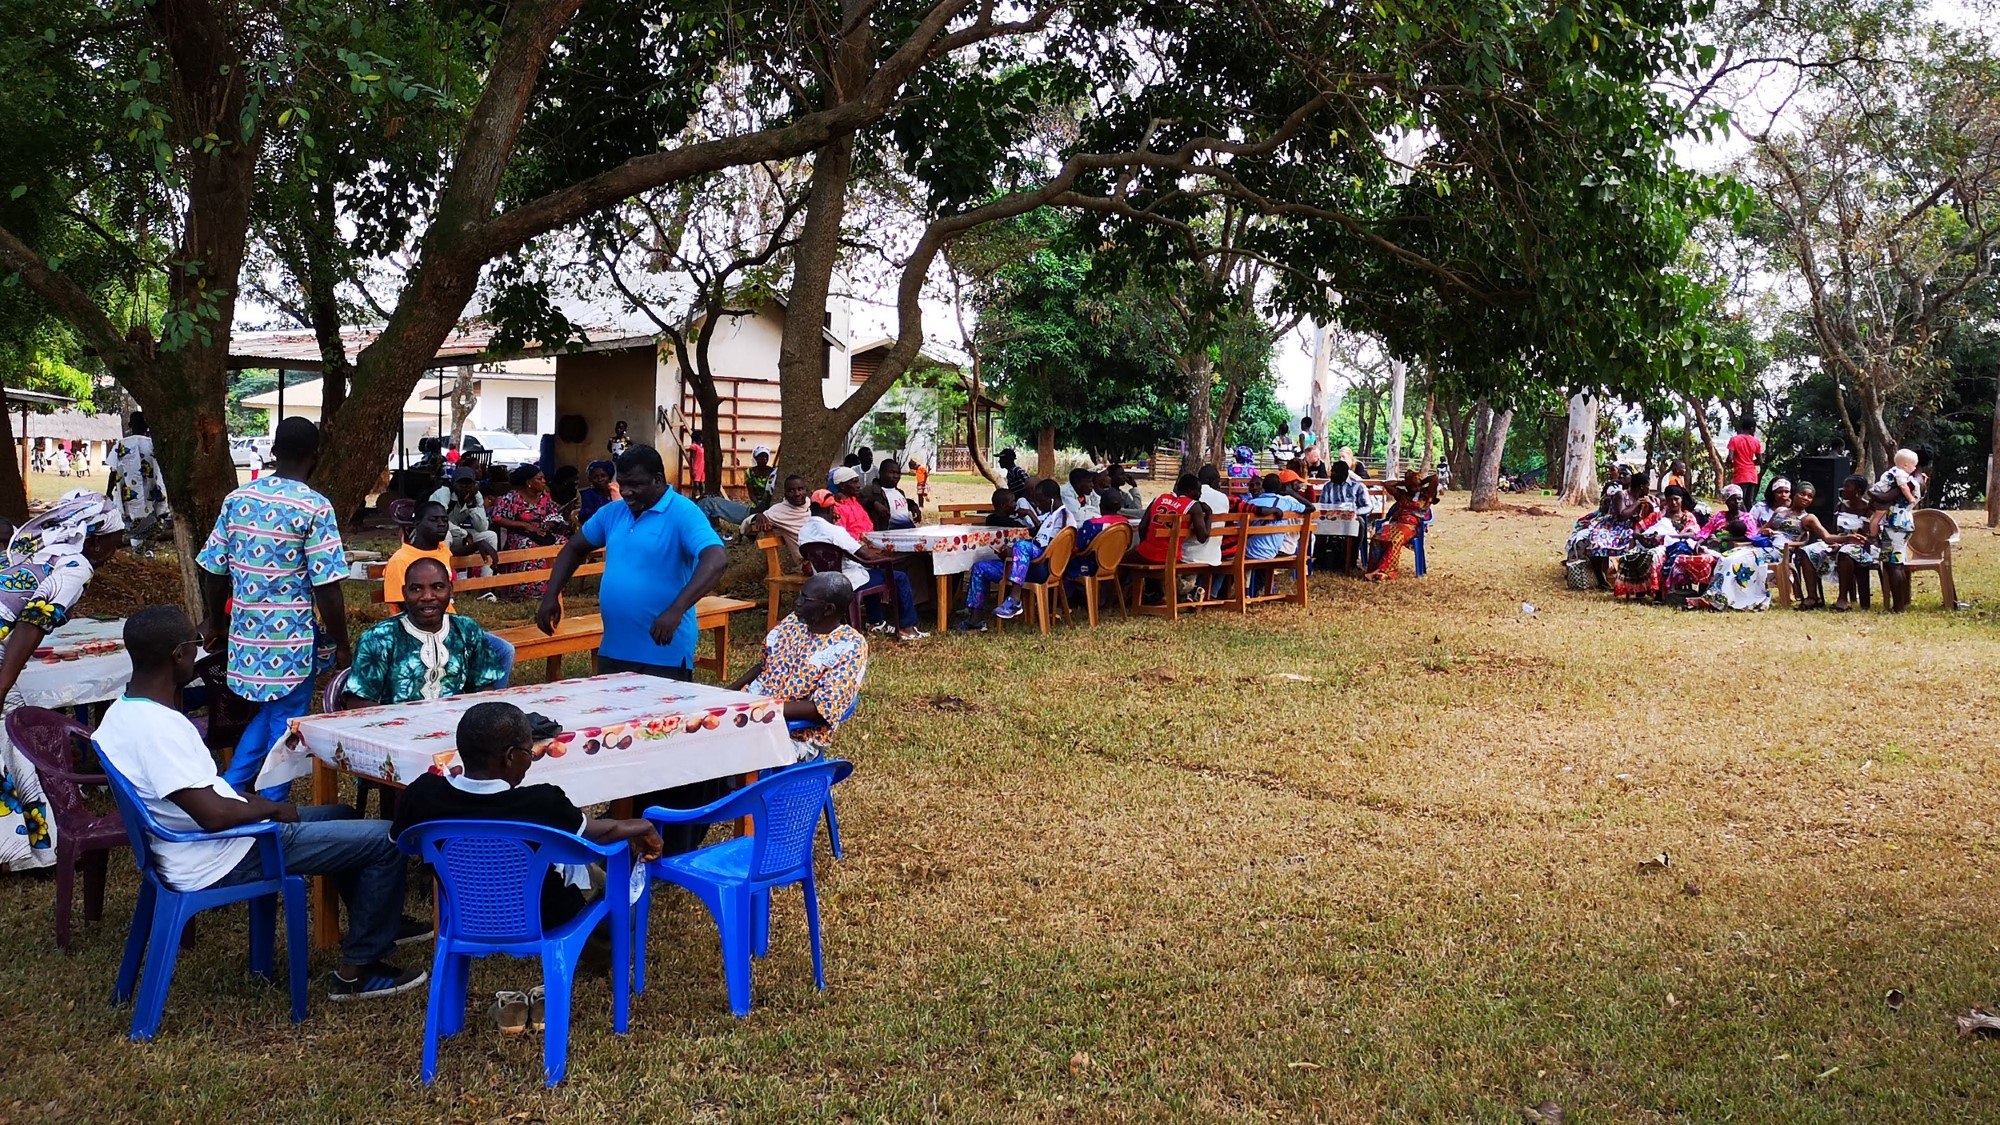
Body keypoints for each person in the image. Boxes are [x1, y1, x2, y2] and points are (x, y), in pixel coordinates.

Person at [99, 605, 427, 999]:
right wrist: (270, 809)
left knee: (340, 814)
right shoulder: (159, 729)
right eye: (196, 645)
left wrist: (253, 802)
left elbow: (206, 796)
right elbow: (215, 815)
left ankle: (378, 923)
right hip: (220, 853)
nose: (199, 652)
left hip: (191, 843)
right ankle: (360, 969)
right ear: (179, 655)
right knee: (386, 839)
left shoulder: (121, 712)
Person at [390, 700, 662, 1029]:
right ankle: (601, 964)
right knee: (618, 898)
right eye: (528, 750)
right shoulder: (542, 802)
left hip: (464, 916)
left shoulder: (422, 794)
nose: (531, 757)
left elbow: (401, 841)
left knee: (587, 877)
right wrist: (643, 827)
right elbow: (601, 835)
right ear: (509, 757)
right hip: (546, 917)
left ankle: (450, 1024)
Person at [198, 416, 349, 800]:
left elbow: (214, 572)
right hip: (291, 644)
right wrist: (342, 643)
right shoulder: (315, 507)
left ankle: (231, 789)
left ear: (273, 451)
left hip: (245, 639)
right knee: (286, 727)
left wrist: (216, 622)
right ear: (315, 456)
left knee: (268, 715)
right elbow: (327, 587)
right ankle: (272, 814)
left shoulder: (237, 500)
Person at [536, 444, 727, 679]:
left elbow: (716, 559)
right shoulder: (613, 513)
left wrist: (676, 610)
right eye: (622, 484)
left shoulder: (683, 512)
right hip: (614, 650)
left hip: (663, 653)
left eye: (635, 484)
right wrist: (551, 594)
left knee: (662, 717)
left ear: (657, 480)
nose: (625, 492)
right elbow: (573, 549)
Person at [0, 491, 126, 705]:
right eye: (114, 545)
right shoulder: (76, 565)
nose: (113, 555)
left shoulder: (38, 550)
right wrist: (2, 687)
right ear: (95, 542)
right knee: (13, 727)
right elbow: (34, 619)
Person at [729, 573, 867, 762]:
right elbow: (763, 665)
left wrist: (759, 710)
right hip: (745, 714)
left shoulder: (850, 646)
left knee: (725, 755)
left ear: (828, 609)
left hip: (791, 733)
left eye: (805, 599)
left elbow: (821, 709)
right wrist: (725, 695)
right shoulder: (793, 623)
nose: (797, 603)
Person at [347, 559, 507, 705]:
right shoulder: (379, 639)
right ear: (404, 593)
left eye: (438, 587)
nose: (428, 596)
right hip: (396, 732)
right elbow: (358, 702)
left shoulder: (466, 629)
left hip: (460, 728)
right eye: (416, 589)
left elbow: (484, 687)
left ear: (450, 590)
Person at [800, 489, 927, 640]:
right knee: (899, 577)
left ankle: (876, 622)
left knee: (868, 571)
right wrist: (886, 559)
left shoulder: (804, 530)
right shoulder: (834, 531)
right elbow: (864, 555)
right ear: (830, 508)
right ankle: (907, 628)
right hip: (848, 581)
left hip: (822, 580)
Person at [978, 479, 1075, 622]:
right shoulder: (1049, 516)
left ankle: (1015, 599)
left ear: (1051, 499)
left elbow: (1054, 548)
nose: (1038, 505)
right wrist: (1012, 553)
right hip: (1026, 568)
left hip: (1044, 568)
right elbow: (1038, 542)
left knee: (1022, 545)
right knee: (980, 567)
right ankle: (974, 619)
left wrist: (1021, 549)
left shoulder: (1064, 517)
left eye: (1041, 501)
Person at [489, 464, 571, 598]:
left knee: (562, 543)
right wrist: (524, 525)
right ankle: (527, 588)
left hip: (542, 533)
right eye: (540, 479)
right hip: (520, 534)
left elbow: (555, 515)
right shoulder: (512, 498)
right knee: (529, 545)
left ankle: (556, 586)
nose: (544, 481)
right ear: (529, 483)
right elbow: (497, 518)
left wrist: (549, 524)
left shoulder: (545, 497)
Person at [106, 411, 169, 548]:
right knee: (150, 516)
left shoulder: (121, 445)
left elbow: (113, 471)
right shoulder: (154, 445)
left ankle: (137, 547)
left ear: (129, 425)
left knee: (132, 517)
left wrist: (108, 491)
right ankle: (147, 545)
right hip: (150, 492)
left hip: (128, 492)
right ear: (147, 426)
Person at [1243, 473, 1310, 595]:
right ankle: (1254, 592)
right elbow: (1310, 508)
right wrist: (1292, 494)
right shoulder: (1286, 503)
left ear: (1263, 486)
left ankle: (1246, 593)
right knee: (1263, 555)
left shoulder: (1250, 504)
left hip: (1248, 552)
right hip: (1273, 551)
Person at [1365, 470, 1438, 581]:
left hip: (1412, 526)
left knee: (1395, 539)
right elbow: (1387, 484)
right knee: (1377, 538)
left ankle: (1384, 572)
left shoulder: (1427, 495)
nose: (1413, 488)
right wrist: (1404, 483)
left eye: (1415, 485)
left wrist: (1421, 482)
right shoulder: (1402, 495)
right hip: (1396, 523)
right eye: (1410, 486)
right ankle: (1374, 570)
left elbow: (1435, 478)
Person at [1831, 474, 1880, 611]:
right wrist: (1836, 541)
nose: (1843, 489)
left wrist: (1844, 543)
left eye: (1847, 487)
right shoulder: (1840, 506)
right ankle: (1812, 598)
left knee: (1845, 553)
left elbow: (1867, 536)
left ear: (1857, 490)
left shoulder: (1868, 509)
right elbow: (1833, 530)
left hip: (1863, 547)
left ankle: (1842, 599)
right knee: (1810, 551)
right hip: (1840, 542)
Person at [1317, 459, 1372, 573]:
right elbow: (1322, 505)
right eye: (1331, 473)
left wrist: (1355, 513)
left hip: (1351, 517)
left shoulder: (1358, 486)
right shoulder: (1328, 486)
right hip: (1331, 518)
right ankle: (1320, 558)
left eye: (1335, 474)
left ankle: (1352, 559)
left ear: (1344, 473)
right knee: (1317, 522)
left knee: (1360, 523)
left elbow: (1368, 506)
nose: (1332, 476)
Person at [742, 473, 814, 560]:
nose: (797, 494)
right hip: (807, 561)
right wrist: (757, 516)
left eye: (800, 489)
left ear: (806, 490)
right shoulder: (778, 511)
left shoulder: (811, 504)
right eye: (791, 491)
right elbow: (744, 527)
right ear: (785, 494)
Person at [860, 460, 920, 530]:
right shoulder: (870, 490)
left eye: (898, 473)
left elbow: (894, 504)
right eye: (892, 472)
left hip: (908, 533)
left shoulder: (899, 492)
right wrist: (873, 503)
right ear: (881, 473)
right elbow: (858, 500)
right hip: (889, 535)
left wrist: (912, 504)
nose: (896, 476)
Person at [828, 466, 876, 541]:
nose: (859, 486)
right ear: (842, 486)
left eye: (858, 481)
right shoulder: (837, 507)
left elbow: (869, 525)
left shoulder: (855, 502)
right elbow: (841, 534)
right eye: (854, 482)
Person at [1727, 415, 1762, 503]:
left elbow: (1730, 458)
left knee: (1739, 501)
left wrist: (1732, 463)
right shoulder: (1756, 441)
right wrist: (1750, 462)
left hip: (1740, 474)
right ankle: (1749, 516)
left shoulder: (1734, 440)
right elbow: (1760, 460)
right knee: (1748, 502)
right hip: (1752, 476)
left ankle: (1742, 517)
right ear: (1751, 428)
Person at [684, 428, 708, 496]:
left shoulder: (703, 447)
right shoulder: (694, 446)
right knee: (696, 485)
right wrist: (692, 470)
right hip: (696, 468)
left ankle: (701, 500)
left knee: (702, 486)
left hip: (702, 469)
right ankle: (695, 499)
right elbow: (692, 458)